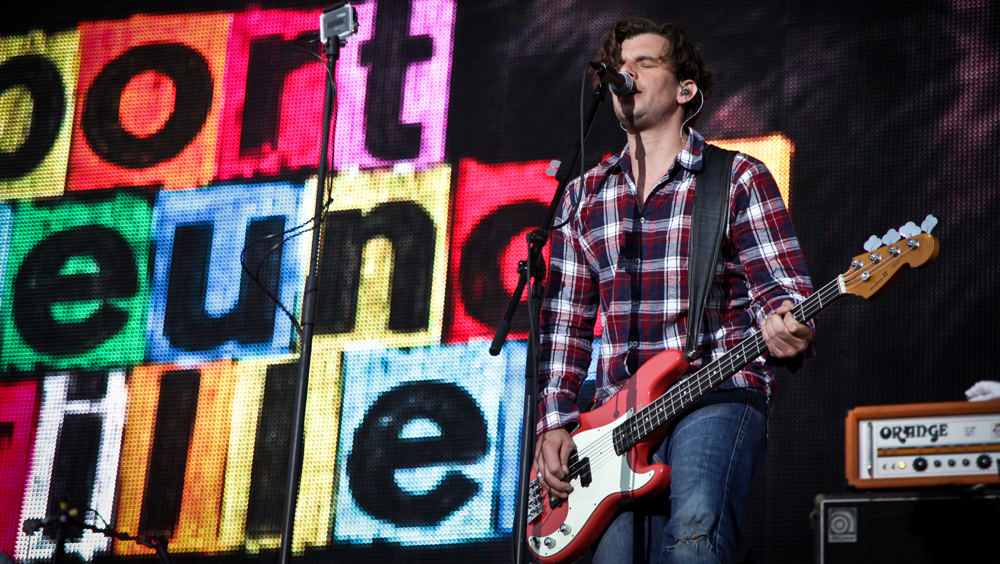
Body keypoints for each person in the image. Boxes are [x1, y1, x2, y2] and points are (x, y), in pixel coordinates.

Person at [533, 17, 815, 564]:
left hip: (715, 389)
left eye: (644, 63)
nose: (626, 73)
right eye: (619, 65)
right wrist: (555, 423)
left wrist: (786, 320)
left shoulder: (736, 177)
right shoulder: (583, 196)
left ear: (686, 90)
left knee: (693, 541)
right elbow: (566, 324)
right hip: (615, 425)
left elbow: (780, 286)